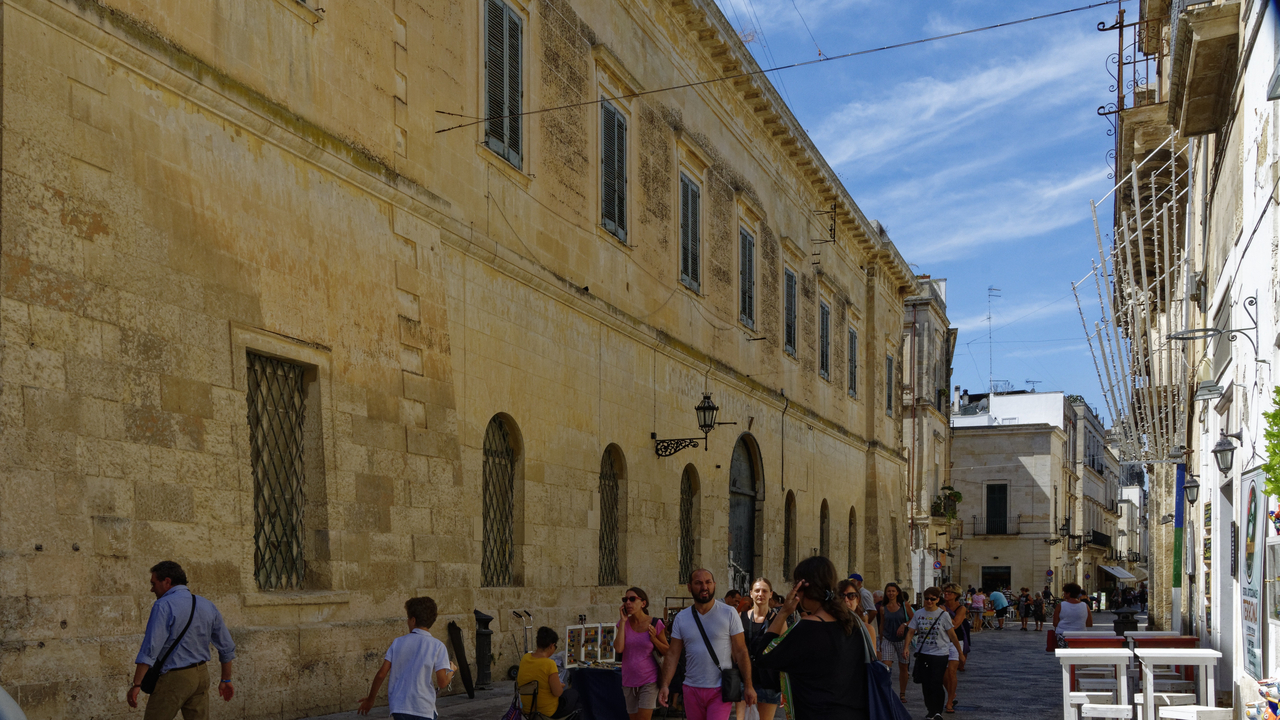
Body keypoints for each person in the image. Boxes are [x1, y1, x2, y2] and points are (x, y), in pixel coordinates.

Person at [757, 556, 872, 720]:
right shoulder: (853, 624)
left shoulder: (807, 628)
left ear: (802, 587)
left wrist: (783, 612)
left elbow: (763, 656)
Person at [127, 561, 236, 720]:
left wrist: (137, 684)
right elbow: (226, 646)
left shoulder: (163, 605)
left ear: (167, 581)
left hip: (174, 677)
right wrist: (226, 679)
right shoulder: (207, 605)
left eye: (153, 583)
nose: (152, 589)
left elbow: (150, 648)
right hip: (201, 675)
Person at [658, 569, 757, 720]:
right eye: (698, 583)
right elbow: (672, 654)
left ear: (714, 585)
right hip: (691, 689)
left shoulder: (729, 613)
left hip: (720, 689)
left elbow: (741, 651)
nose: (704, 587)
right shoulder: (681, 618)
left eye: (708, 582)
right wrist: (665, 685)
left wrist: (748, 685)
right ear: (689, 587)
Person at [358, 596, 456, 719]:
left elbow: (381, 674)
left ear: (413, 620)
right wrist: (451, 671)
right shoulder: (438, 646)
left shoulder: (398, 642)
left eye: (408, 619)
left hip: (399, 708)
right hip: (423, 708)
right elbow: (442, 682)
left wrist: (371, 699)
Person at [902, 587, 965, 720]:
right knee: (926, 684)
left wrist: (960, 652)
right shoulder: (919, 613)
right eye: (927, 598)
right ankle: (930, 710)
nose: (929, 601)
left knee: (936, 682)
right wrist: (906, 647)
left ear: (937, 600)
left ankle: (937, 711)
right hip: (923, 653)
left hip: (940, 653)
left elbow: (952, 635)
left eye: (933, 599)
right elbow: (911, 631)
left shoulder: (943, 615)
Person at [614, 587, 669, 720]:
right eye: (625, 599)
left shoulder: (655, 623)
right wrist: (623, 621)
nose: (628, 602)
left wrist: (654, 639)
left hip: (649, 679)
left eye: (632, 599)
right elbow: (619, 649)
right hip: (629, 680)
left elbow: (667, 650)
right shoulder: (623, 624)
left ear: (643, 603)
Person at [736, 578, 782, 720]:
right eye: (757, 590)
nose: (760, 594)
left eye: (764, 591)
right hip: (744, 678)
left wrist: (785, 688)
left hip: (768, 680)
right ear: (751, 593)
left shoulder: (778, 620)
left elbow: (783, 653)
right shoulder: (741, 617)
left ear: (770, 594)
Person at [518, 627, 579, 718]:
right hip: (547, 712)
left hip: (528, 710)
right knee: (574, 694)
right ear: (551, 645)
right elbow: (558, 693)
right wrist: (560, 685)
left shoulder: (525, 658)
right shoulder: (549, 664)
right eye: (555, 647)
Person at [876, 582, 914, 703]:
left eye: (893, 591)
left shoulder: (904, 605)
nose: (891, 593)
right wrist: (880, 641)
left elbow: (914, 618)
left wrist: (904, 624)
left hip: (902, 639)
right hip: (888, 639)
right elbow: (882, 624)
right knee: (886, 666)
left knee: (903, 666)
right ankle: (887, 691)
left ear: (897, 592)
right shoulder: (883, 608)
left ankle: (902, 693)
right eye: (889, 591)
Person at [939, 583, 970, 712]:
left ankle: (949, 702)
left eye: (949, 592)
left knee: (952, 672)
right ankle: (952, 693)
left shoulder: (961, 608)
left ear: (956, 595)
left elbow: (955, 624)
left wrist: (945, 613)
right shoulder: (939, 605)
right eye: (945, 591)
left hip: (956, 640)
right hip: (941, 640)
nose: (946, 594)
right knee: (942, 674)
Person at [839, 578, 877, 647]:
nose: (846, 600)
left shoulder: (867, 629)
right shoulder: (828, 627)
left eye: (851, 596)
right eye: (841, 596)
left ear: (857, 600)